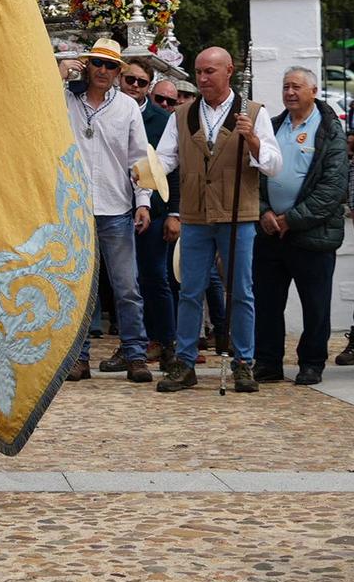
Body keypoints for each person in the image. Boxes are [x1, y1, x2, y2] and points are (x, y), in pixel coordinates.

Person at [155, 47, 282, 394]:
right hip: (196, 213)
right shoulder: (182, 115)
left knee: (241, 290)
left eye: (209, 71)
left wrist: (253, 140)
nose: (202, 78)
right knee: (190, 290)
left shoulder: (252, 113)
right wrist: (144, 172)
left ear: (229, 71)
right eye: (198, 72)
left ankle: (243, 362)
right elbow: (166, 158)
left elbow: (273, 164)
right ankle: (184, 360)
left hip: (237, 213)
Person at [64, 39, 154, 384]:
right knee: (81, 288)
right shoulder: (67, 99)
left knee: (126, 286)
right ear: (87, 65)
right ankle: (80, 357)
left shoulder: (128, 108)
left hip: (115, 206)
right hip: (76, 206)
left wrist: (143, 202)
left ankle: (135, 354)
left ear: (119, 71)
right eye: (98, 63)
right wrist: (60, 73)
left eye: (110, 65)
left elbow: (139, 159)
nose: (103, 70)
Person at [254, 68, 348, 385]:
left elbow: (332, 189)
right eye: (285, 87)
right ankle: (267, 362)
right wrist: (264, 212)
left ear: (314, 90)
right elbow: (254, 175)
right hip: (269, 235)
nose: (290, 92)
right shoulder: (273, 126)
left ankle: (312, 363)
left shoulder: (331, 131)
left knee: (315, 305)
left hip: (312, 235)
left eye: (296, 86)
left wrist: (290, 219)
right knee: (267, 303)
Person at [133, 69, 182, 365]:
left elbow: (175, 169)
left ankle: (165, 340)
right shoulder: (110, 112)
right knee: (128, 282)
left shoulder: (164, 120)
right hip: (117, 206)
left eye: (141, 81)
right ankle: (135, 342)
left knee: (155, 278)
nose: (134, 86)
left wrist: (174, 213)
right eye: (130, 80)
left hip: (158, 209)